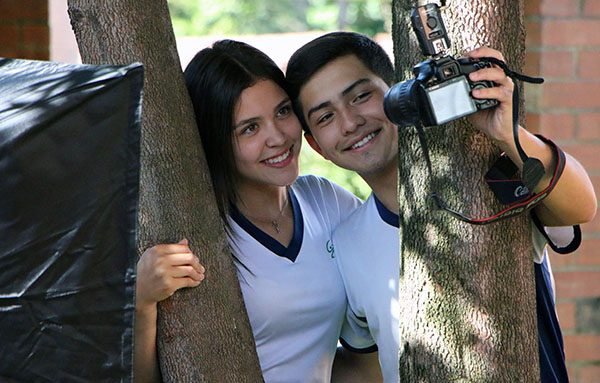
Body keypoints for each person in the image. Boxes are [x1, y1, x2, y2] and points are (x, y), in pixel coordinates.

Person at [285, 31, 597, 382]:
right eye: (325, 117)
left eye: (361, 96)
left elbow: (582, 207)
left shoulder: (485, 181)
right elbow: (364, 364)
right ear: (316, 146)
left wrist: (509, 137)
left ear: (398, 93)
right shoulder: (345, 243)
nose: (350, 122)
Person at [134, 39, 382, 383]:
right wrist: (142, 301)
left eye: (282, 111)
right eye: (249, 128)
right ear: (216, 139)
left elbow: (364, 351)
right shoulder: (196, 231)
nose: (278, 136)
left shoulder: (326, 201)